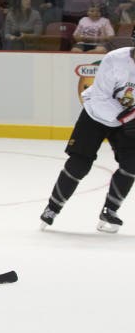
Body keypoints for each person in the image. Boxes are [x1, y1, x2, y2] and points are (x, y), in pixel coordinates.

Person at [40, 31, 135, 233]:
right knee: (79, 164)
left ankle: (110, 210)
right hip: (96, 114)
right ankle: (52, 208)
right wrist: (128, 118)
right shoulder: (115, 59)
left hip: (126, 118)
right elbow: (101, 98)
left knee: (132, 163)